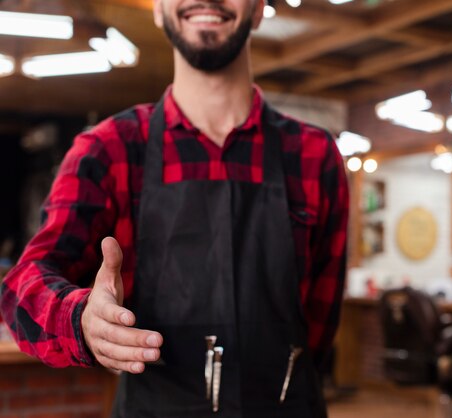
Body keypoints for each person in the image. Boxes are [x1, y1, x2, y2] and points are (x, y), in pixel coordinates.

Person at [0, 0, 349, 416]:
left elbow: (319, 328)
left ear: (259, 9)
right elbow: (23, 287)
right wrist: (82, 323)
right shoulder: (109, 149)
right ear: (159, 8)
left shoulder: (314, 154)